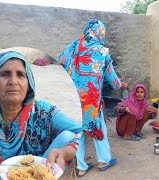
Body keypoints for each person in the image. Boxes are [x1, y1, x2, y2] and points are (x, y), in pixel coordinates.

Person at [0, 51, 83, 180]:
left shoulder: (43, 113)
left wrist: (65, 152)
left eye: (20, 75)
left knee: (68, 136)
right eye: (5, 74)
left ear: (29, 84)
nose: (13, 81)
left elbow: (82, 131)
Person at [57, 19, 128, 177]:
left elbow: (60, 61)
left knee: (79, 130)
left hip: (74, 99)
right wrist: (121, 85)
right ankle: (104, 160)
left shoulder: (74, 46)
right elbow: (113, 80)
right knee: (98, 127)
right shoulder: (102, 51)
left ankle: (81, 166)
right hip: (92, 102)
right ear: (100, 33)